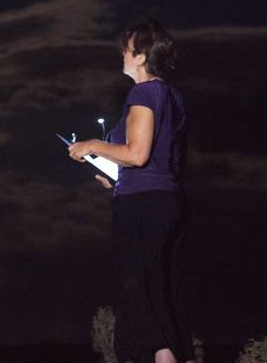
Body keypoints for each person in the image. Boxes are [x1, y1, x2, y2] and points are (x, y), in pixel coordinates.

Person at [69, 18, 195, 363]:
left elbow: (137, 154)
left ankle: (162, 357)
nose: (122, 54)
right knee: (160, 288)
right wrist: (113, 174)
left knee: (137, 290)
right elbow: (157, 157)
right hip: (166, 200)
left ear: (140, 56)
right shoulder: (171, 95)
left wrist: (93, 145)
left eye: (126, 49)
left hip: (141, 204)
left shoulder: (143, 92)